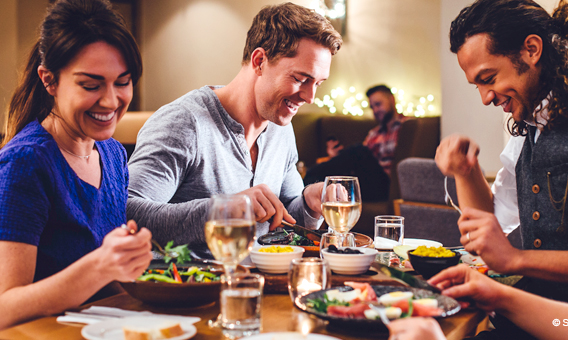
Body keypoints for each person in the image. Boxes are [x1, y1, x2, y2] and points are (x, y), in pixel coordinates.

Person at [388, 0, 568, 339]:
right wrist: (466, 173)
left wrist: (516, 261)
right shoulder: (526, 129)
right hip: (541, 318)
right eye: (477, 85)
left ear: (531, 49)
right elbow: (491, 226)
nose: (484, 97)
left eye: (489, 78)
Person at [126, 3, 343, 246]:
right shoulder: (185, 122)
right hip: (191, 281)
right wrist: (225, 210)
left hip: (258, 280)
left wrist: (310, 203)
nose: (310, 97)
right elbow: (126, 213)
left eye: (318, 84)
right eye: (300, 79)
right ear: (259, 61)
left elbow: (290, 219)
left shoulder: (280, 125)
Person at [0, 0, 152, 330]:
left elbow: (107, 283)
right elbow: (5, 308)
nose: (111, 101)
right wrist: (101, 265)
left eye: (122, 82)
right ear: (49, 80)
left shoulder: (112, 153)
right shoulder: (26, 163)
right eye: (90, 85)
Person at [303, 85, 408, 202]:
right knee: (348, 167)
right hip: (368, 183)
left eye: (378, 104)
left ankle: (308, 176)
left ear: (391, 100)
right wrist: (336, 157)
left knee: (359, 151)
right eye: (372, 107)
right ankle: (311, 182)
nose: (375, 111)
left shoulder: (407, 126)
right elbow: (360, 163)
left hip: (388, 186)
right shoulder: (374, 133)